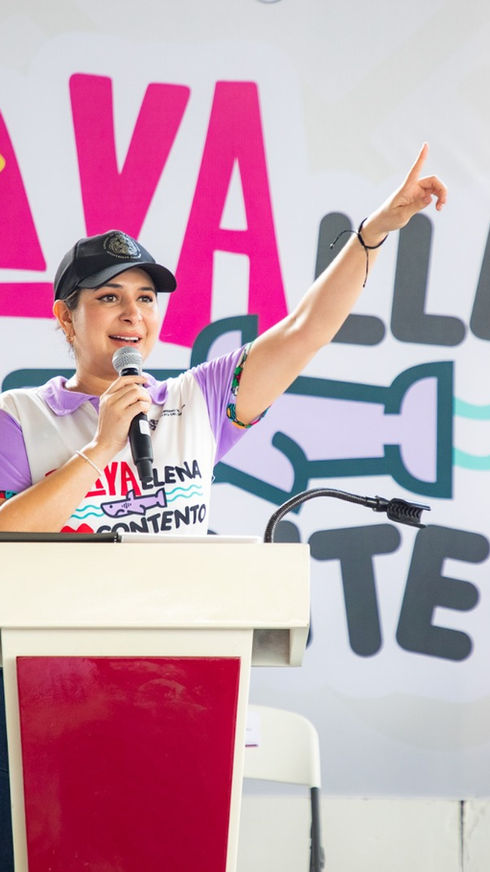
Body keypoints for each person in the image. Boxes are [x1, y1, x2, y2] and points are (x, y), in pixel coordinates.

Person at [0, 143, 446, 865]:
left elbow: (305, 331)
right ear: (65, 317)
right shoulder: (18, 418)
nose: (132, 315)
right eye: (108, 297)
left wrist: (375, 232)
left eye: (146, 298)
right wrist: (100, 448)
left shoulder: (197, 400)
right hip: (54, 697)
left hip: (184, 688)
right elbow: (5, 540)